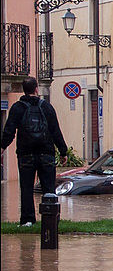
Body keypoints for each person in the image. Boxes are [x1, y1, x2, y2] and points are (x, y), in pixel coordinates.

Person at [1, 77, 68, 226]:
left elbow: (9, 131)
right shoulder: (47, 107)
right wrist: (63, 152)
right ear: (36, 89)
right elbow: (55, 131)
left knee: (26, 189)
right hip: (46, 154)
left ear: (24, 90)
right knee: (49, 189)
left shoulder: (17, 108)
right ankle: (51, 219)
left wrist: (2, 147)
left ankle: (27, 220)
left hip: (25, 155)